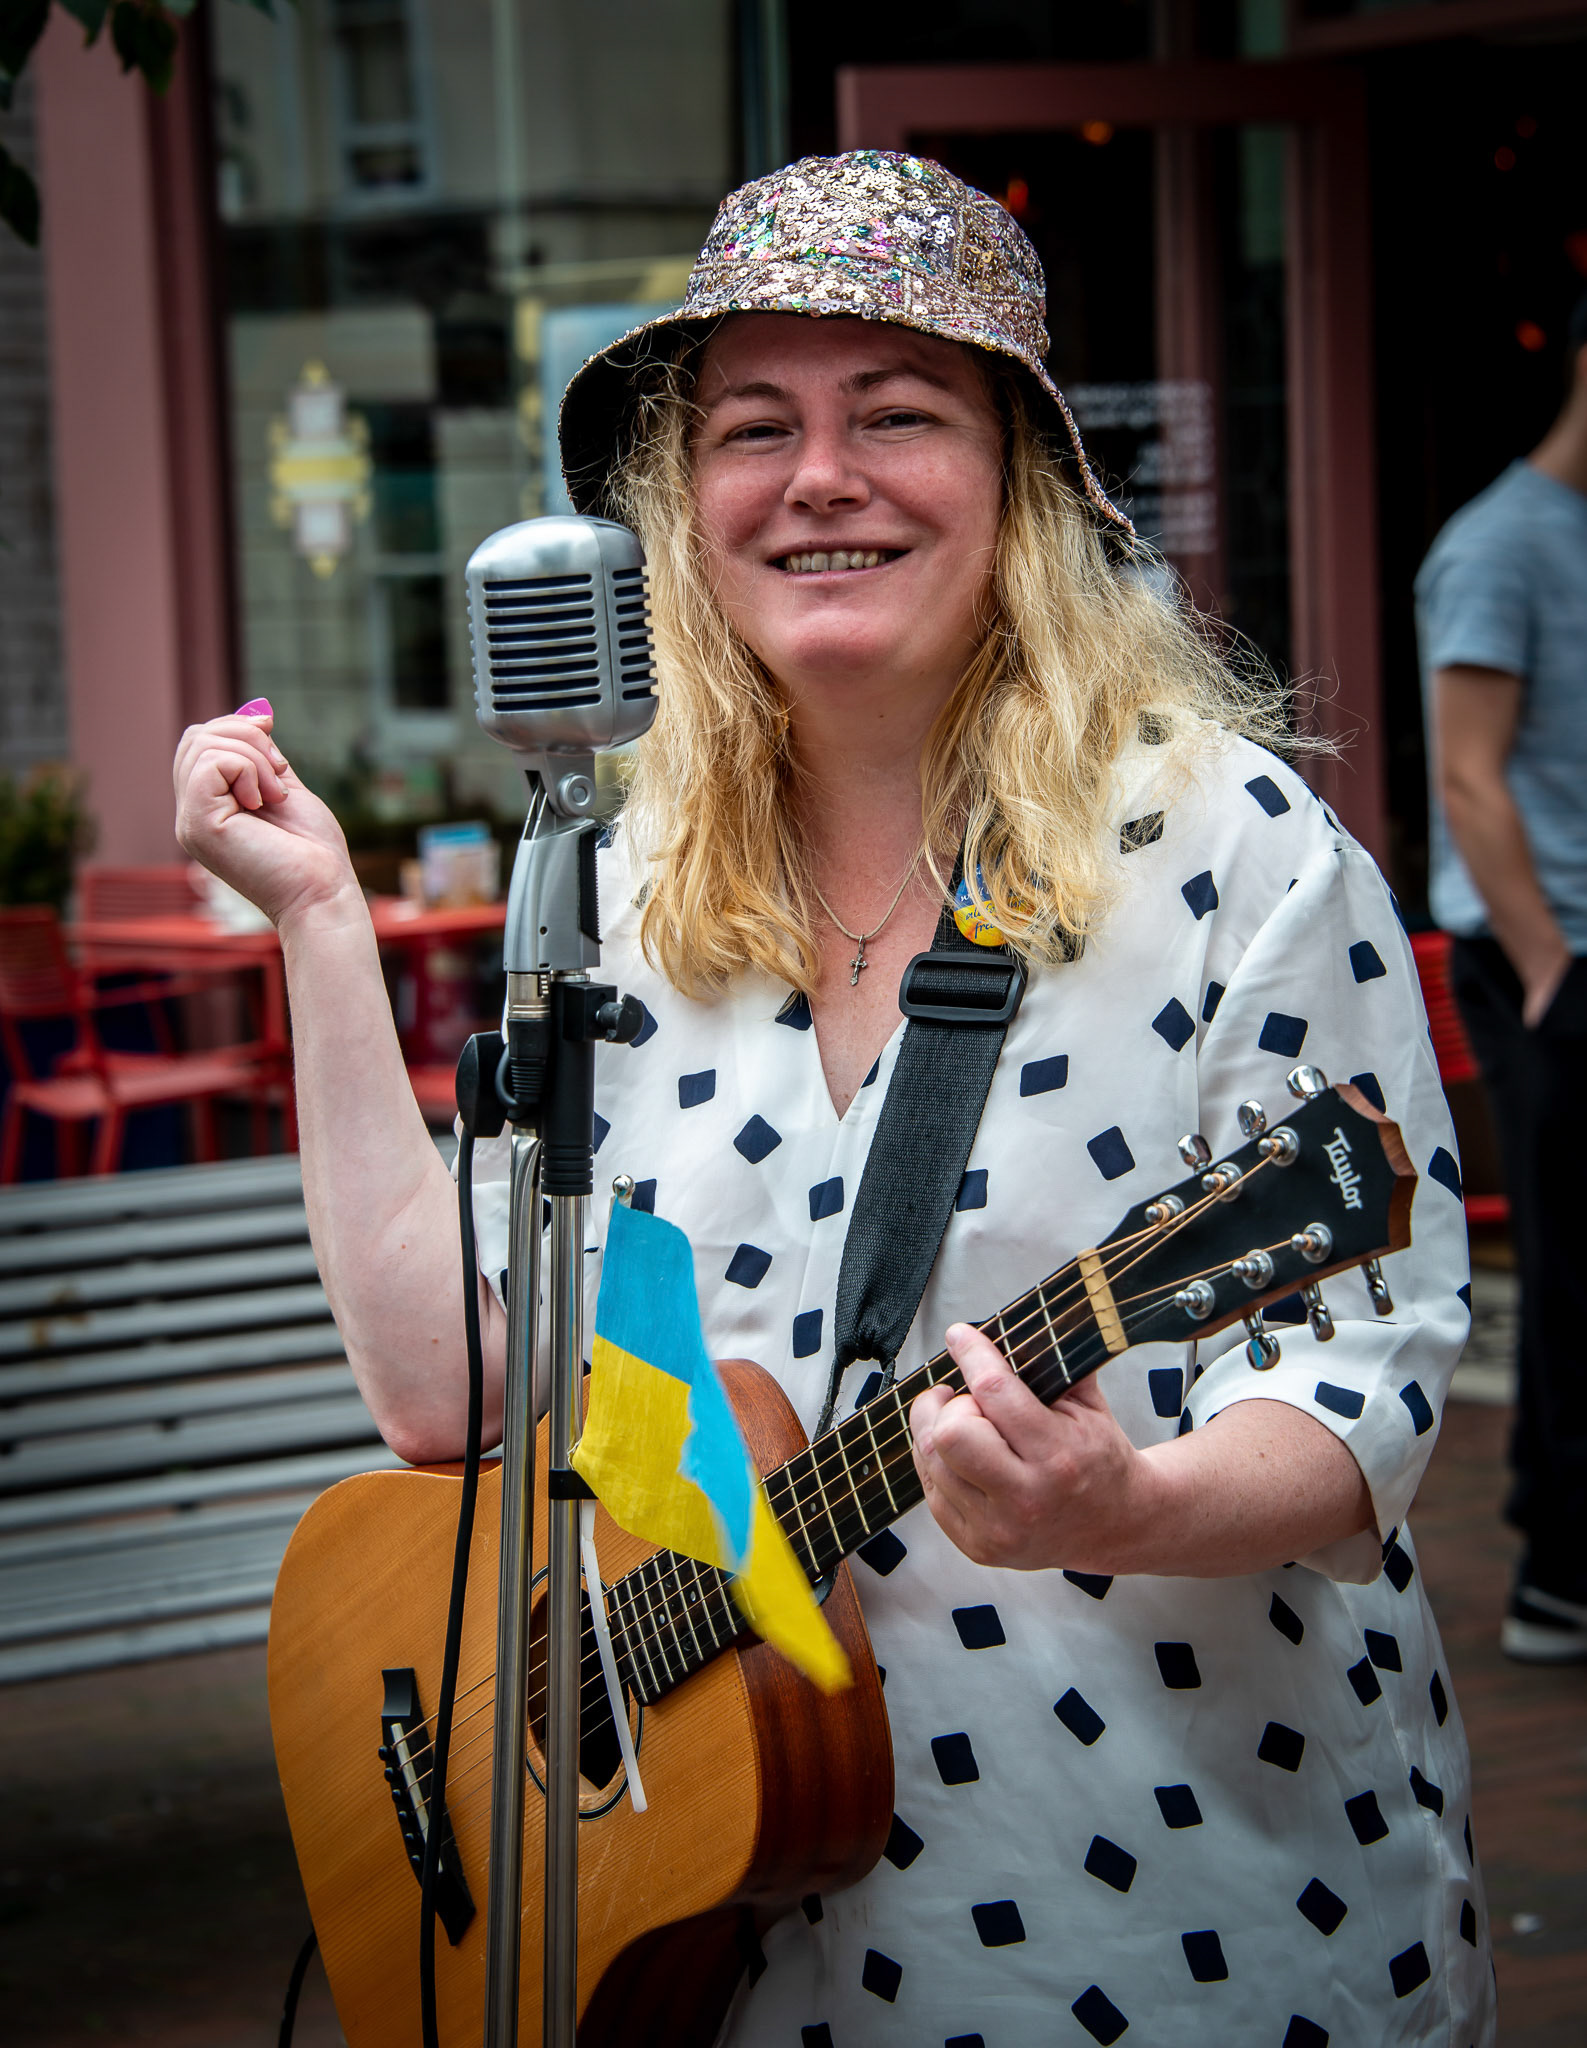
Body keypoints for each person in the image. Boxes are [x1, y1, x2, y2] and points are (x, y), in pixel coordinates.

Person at [177, 153, 1492, 2047]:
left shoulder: (1233, 848)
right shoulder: (621, 895)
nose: (819, 477)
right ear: (681, 505)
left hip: (1157, 1902)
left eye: (898, 413)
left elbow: (1367, 1391)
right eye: (755, 426)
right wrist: (317, 921)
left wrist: (1130, 1493)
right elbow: (450, 1378)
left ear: (1023, 484)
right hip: (705, 1914)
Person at [1418, 289, 1587, 1666]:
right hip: (1553, 958)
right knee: (1574, 1270)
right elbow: (1468, 771)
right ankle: (1559, 1568)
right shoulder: (1498, 544)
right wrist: (1545, 963)